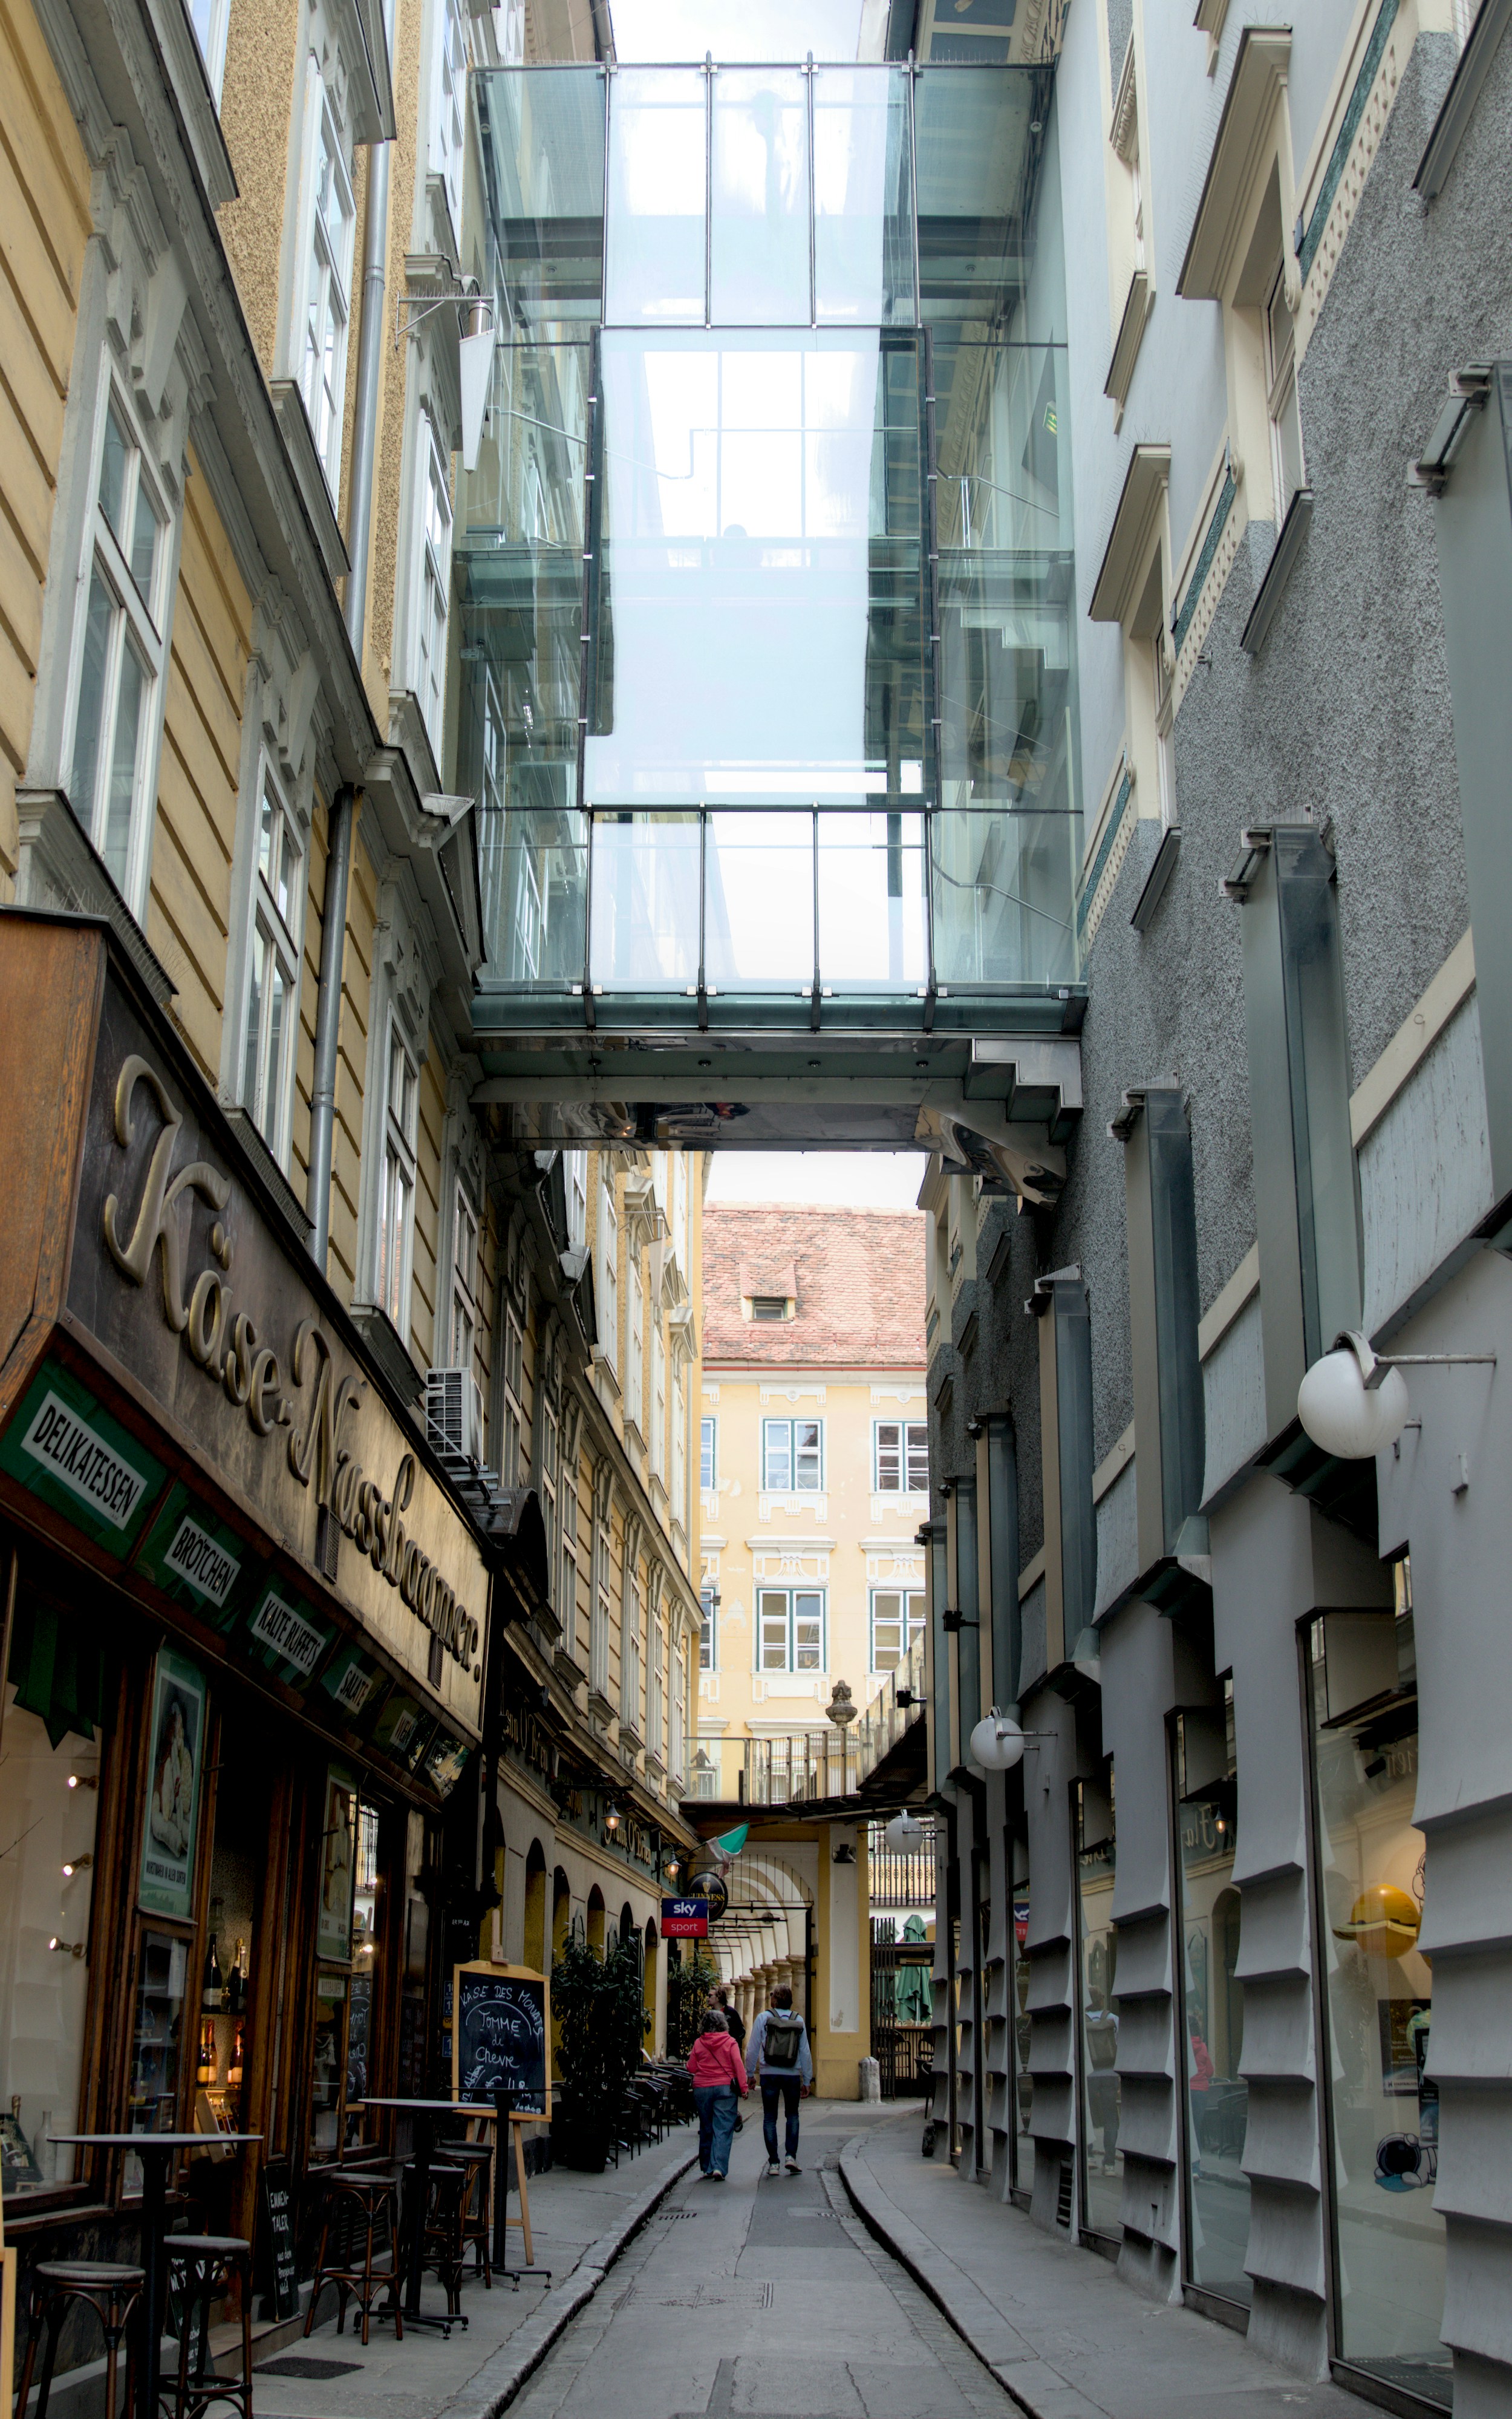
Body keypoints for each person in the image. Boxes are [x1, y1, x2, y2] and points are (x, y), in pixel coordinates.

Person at [747, 1985, 812, 2177]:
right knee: (792, 2116)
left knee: (769, 2118)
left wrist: (750, 2073)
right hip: (792, 2074)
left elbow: (752, 2048)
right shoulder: (798, 2020)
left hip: (769, 2073)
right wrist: (807, 2080)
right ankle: (791, 2156)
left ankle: (774, 2162)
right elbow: (805, 2052)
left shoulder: (763, 2018)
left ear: (774, 1999)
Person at [686, 2009, 748, 2181]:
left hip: (702, 2089)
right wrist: (743, 2088)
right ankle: (719, 2167)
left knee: (706, 2127)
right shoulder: (730, 2042)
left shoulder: (699, 2043)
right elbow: (738, 2065)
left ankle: (706, 2167)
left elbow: (691, 2068)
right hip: (725, 2089)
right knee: (723, 2129)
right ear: (723, 2025)